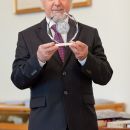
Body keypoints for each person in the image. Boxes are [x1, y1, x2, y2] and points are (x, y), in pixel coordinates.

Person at [11, 0, 113, 129]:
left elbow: (105, 76)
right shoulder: (27, 36)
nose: (57, 3)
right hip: (44, 123)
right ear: (42, 3)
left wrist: (86, 58)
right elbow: (18, 80)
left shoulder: (89, 33)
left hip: (83, 122)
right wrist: (38, 60)